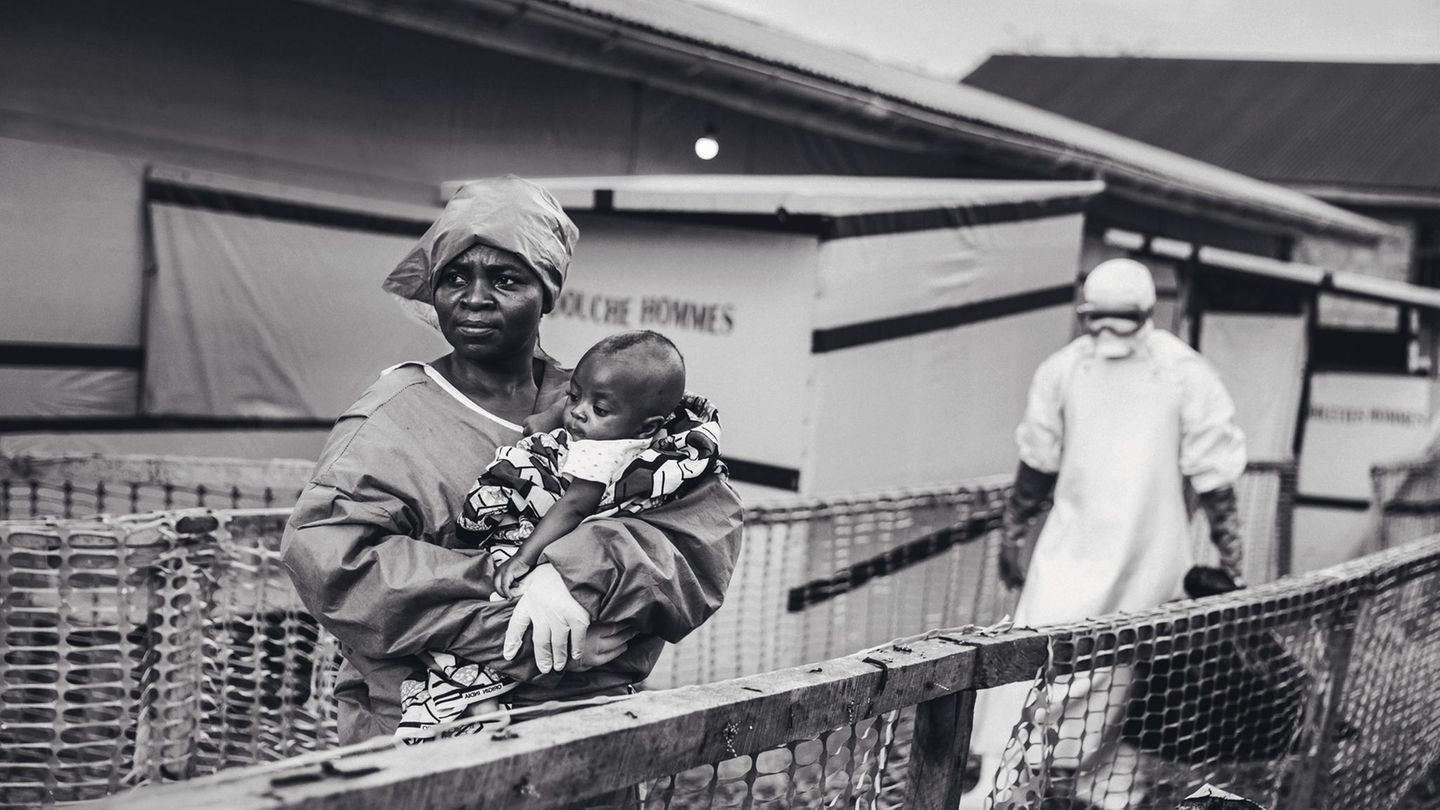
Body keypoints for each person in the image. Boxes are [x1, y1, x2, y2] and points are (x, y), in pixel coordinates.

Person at [281, 176, 745, 744]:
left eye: (505, 279)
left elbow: (699, 539)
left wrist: (570, 571)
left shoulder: (603, 406)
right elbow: (337, 566)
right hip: (423, 747)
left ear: (546, 292)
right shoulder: (393, 417)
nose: (474, 298)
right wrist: (524, 615)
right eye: (454, 277)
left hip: (584, 734)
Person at [971, 257, 1247, 809]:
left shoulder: (1147, 370)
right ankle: (1012, 797)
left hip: (1118, 565)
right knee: (1103, 683)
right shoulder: (1167, 369)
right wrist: (1232, 555)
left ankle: (1014, 796)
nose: (1107, 333)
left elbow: (1036, 464)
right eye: (1097, 319)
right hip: (1129, 566)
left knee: (1075, 688)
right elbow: (1214, 477)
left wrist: (1014, 531)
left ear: (1146, 314)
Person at [396, 330, 724, 739]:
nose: (578, 413)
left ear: (649, 425)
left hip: (570, 590)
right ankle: (479, 700)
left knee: (494, 608)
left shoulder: (605, 451)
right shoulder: (649, 445)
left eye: (599, 408)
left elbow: (573, 506)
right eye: (573, 397)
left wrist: (526, 557)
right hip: (581, 648)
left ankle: (477, 701)